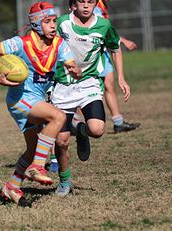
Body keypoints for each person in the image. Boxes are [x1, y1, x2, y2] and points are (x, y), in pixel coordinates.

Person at [0, 2, 81, 206]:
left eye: (54, 21)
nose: (53, 25)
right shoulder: (20, 43)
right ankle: (37, 166)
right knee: (58, 116)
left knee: (32, 147)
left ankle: (11, 187)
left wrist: (74, 70)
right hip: (20, 100)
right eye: (47, 22)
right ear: (36, 24)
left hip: (36, 100)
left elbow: (71, 63)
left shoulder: (59, 44)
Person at [50, 0, 130, 196]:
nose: (86, 6)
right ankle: (64, 180)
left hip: (89, 84)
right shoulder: (62, 23)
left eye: (90, 2)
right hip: (62, 86)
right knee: (61, 141)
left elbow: (115, 48)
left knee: (97, 129)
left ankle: (82, 132)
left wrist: (121, 78)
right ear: (73, 5)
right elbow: (46, 44)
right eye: (81, 2)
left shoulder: (104, 25)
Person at [71, 0, 140, 133]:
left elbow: (104, 28)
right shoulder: (92, 6)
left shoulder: (100, 4)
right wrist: (124, 41)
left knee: (109, 85)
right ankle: (76, 122)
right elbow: (98, 29)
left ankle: (117, 121)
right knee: (82, 86)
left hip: (103, 52)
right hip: (94, 55)